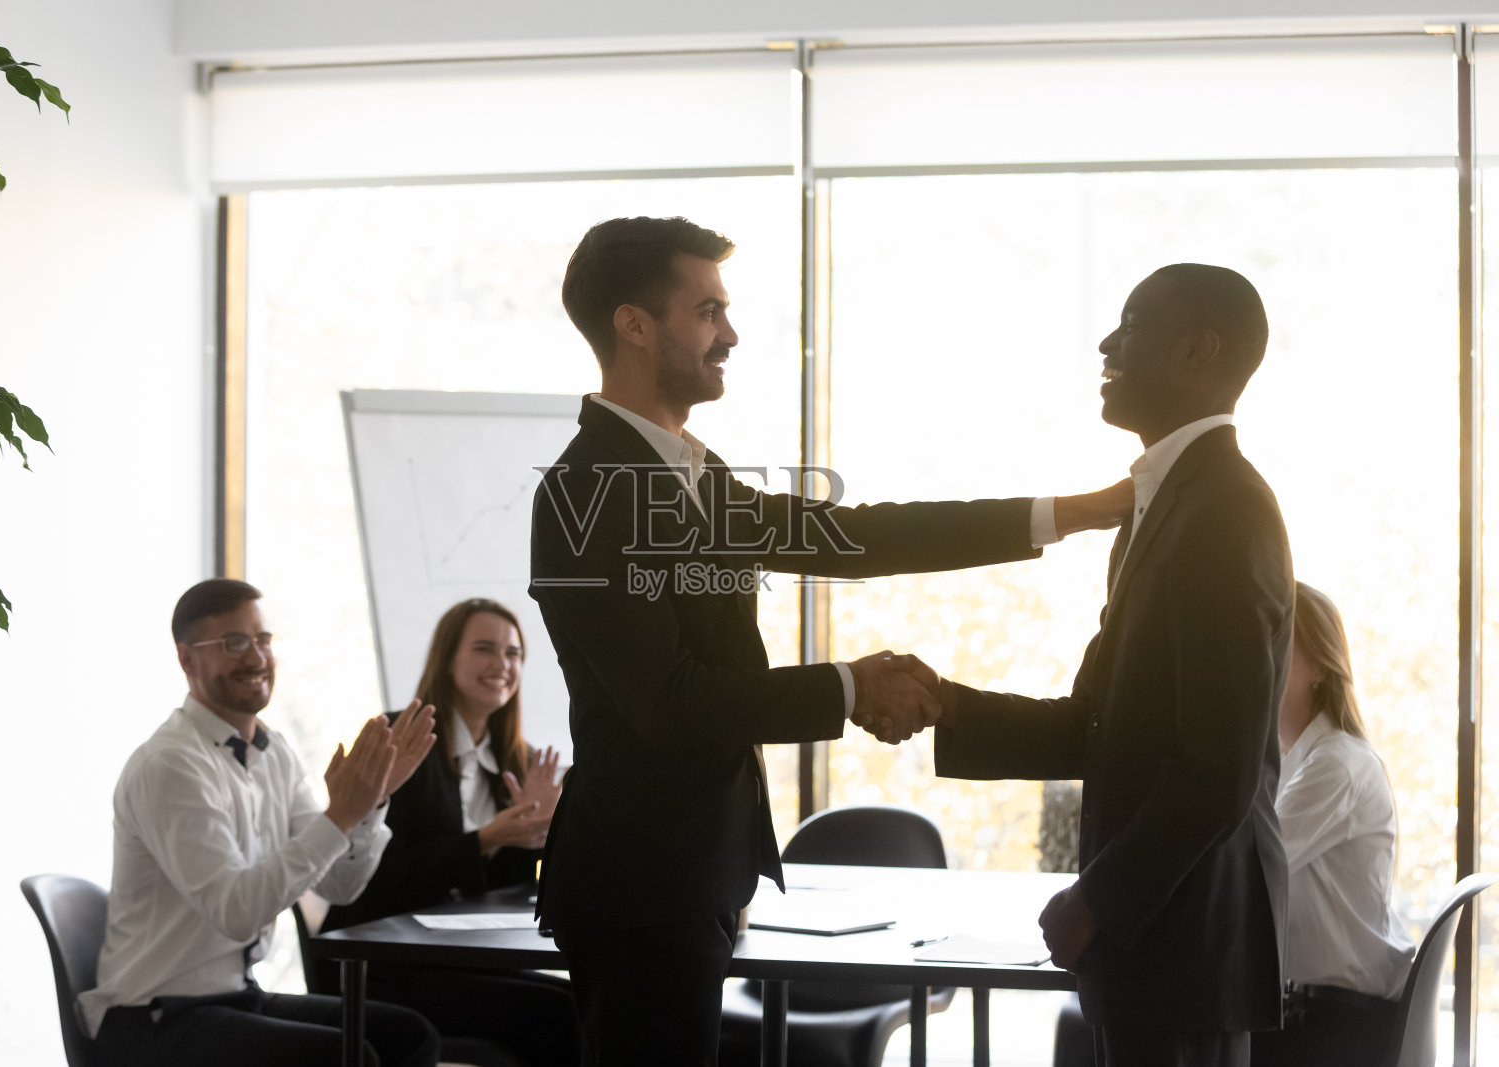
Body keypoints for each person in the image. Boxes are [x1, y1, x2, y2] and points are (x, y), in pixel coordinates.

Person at [528, 215, 1133, 1064]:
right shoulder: (582, 491)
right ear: (633, 324)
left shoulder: (693, 473)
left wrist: (1074, 513)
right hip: (639, 888)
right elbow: (669, 703)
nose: (730, 334)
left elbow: (857, 536)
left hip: (692, 876)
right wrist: (850, 687)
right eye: (707, 312)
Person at [911, 264, 1293, 1067]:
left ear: (1198, 350)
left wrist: (1098, 899)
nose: (1106, 342)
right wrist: (950, 706)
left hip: (1182, 945)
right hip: (1157, 949)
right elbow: (1100, 722)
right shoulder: (1163, 506)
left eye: (1130, 322)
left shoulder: (1225, 508)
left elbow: (1219, 765)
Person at [78, 578, 441, 1067]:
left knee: (408, 1035)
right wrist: (341, 814)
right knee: (348, 1056)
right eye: (234, 643)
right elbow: (237, 912)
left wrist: (372, 804)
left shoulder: (275, 753)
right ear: (188, 660)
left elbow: (340, 886)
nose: (256, 658)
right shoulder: (170, 765)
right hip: (152, 1019)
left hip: (235, 996)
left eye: (263, 640)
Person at [321, 598, 579, 1066]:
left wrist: (539, 831)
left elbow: (504, 894)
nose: (502, 664)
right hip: (384, 962)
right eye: (485, 649)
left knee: (582, 1000)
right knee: (558, 1013)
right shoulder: (400, 740)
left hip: (459, 957)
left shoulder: (515, 758)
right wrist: (485, 839)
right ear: (448, 657)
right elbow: (372, 879)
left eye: (514, 653)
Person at [1250, 582, 1414, 1067]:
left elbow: (1249, 863)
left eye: (1280, 637)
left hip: (1337, 1030)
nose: (1261, 651)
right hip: (1317, 1015)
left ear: (1320, 667)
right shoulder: (1298, 763)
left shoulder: (1335, 764)